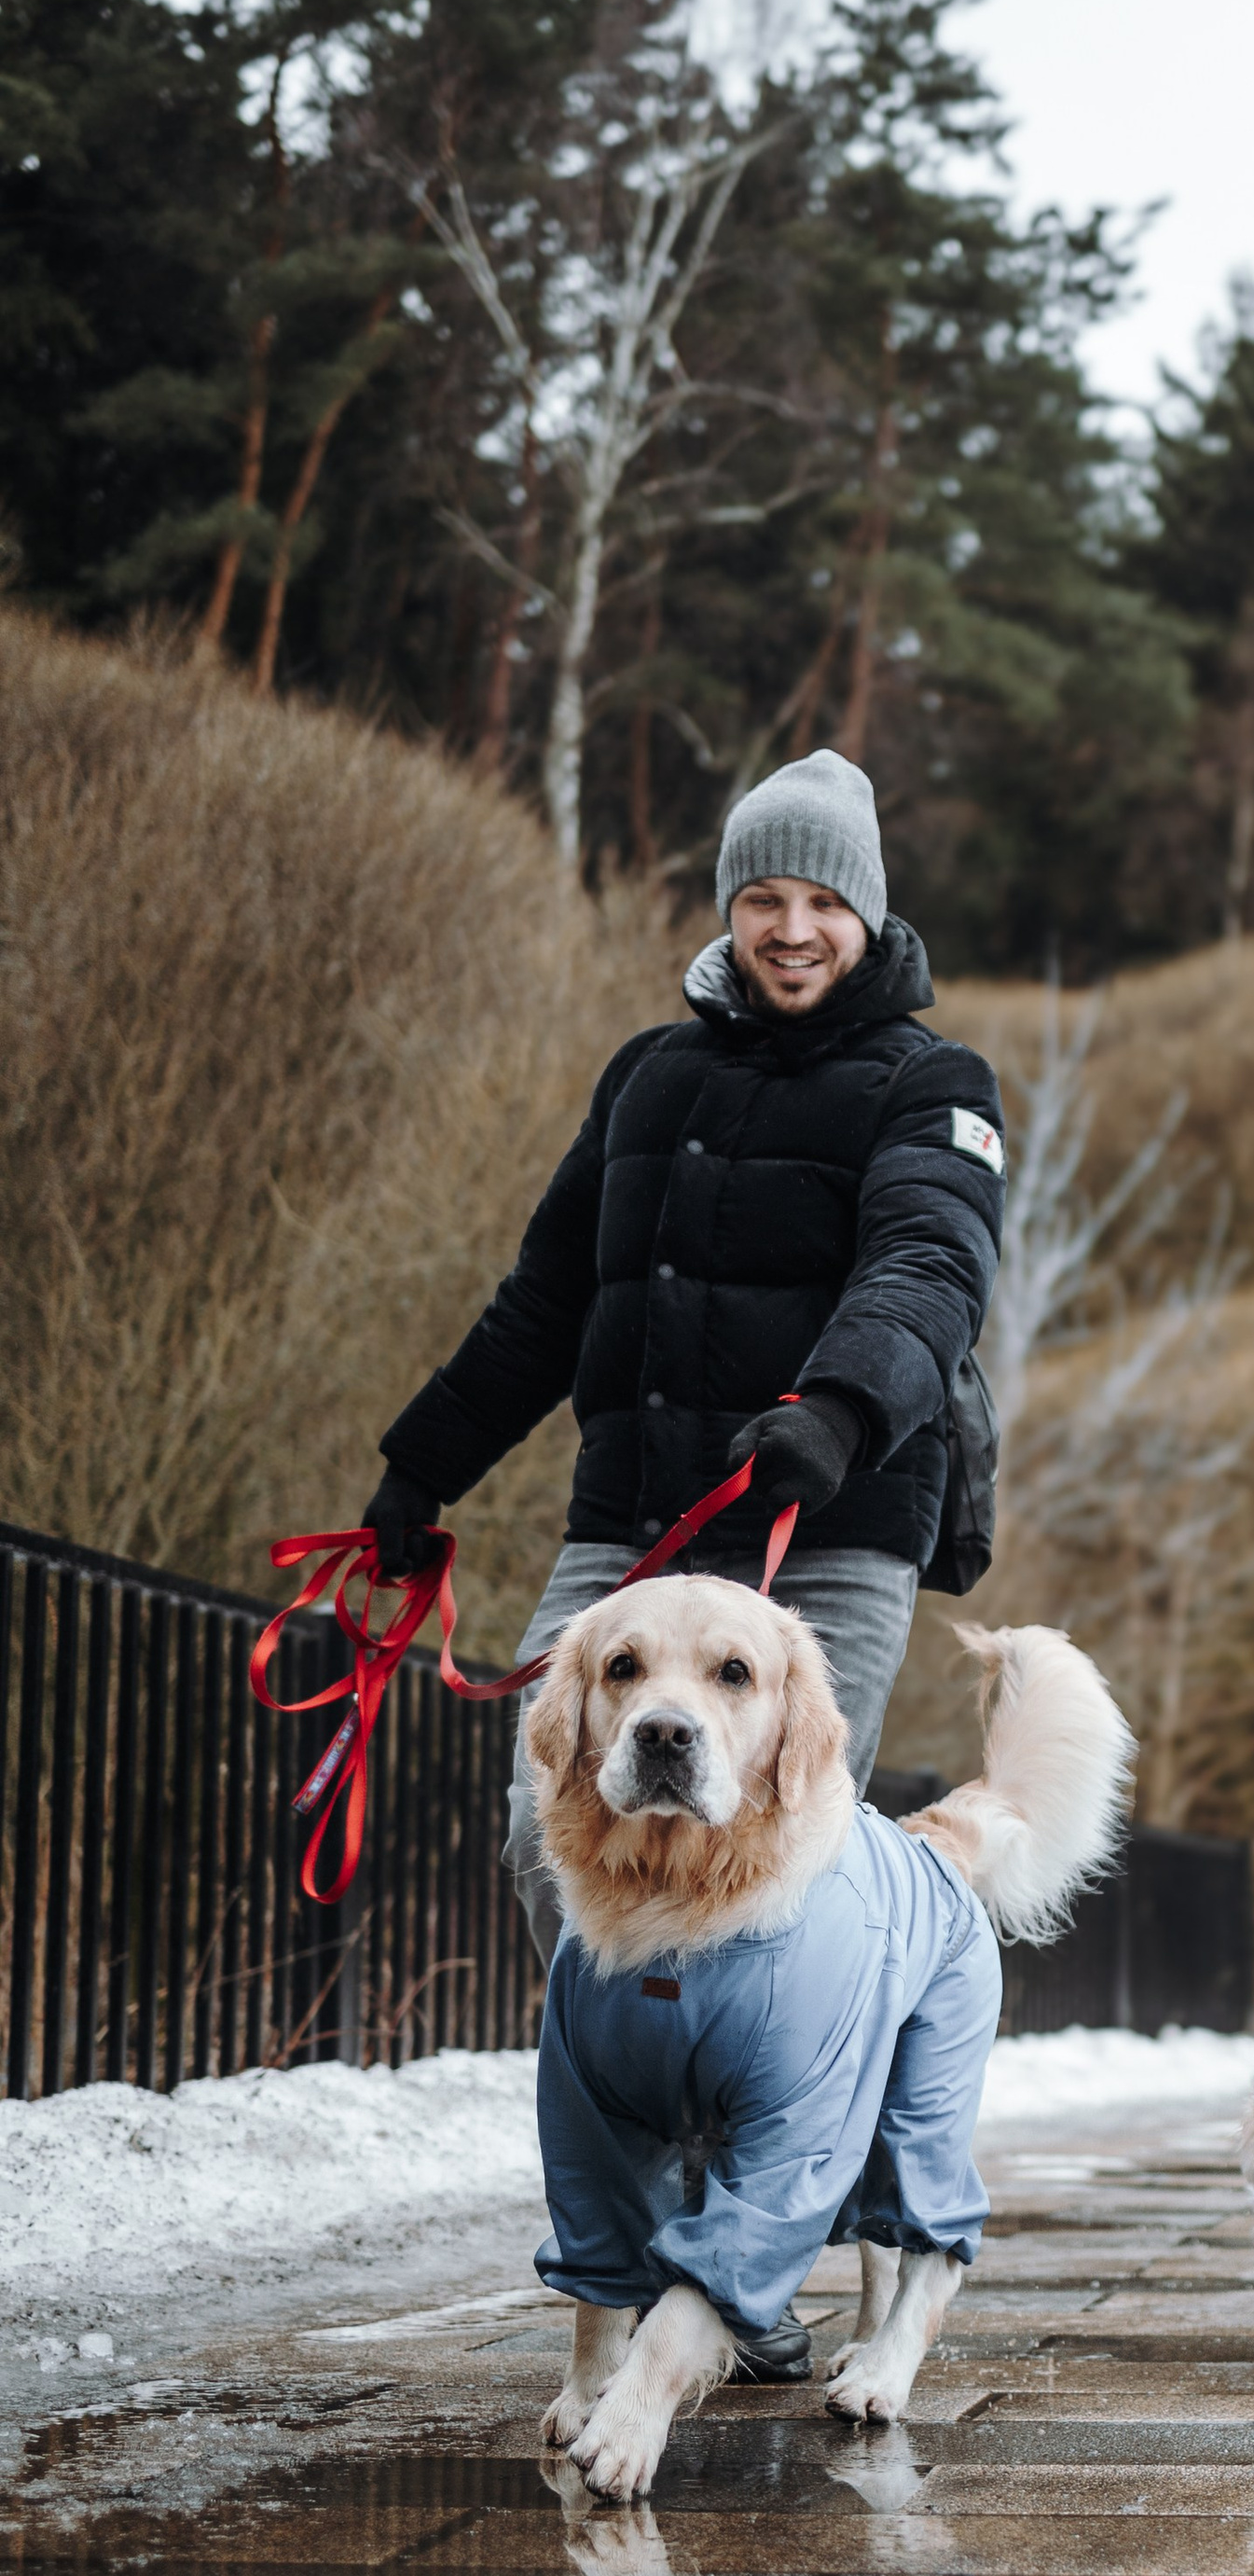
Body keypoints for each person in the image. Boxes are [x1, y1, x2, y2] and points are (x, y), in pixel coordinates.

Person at [362, 749, 1005, 1970]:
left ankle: (768, 2136)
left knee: (780, 1849)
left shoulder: (936, 1085)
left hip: (830, 1517)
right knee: (542, 1825)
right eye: (765, 897)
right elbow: (550, 1297)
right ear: (730, 907)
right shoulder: (647, 1077)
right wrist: (421, 1467)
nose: (794, 928)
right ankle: (623, 2109)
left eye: (824, 902)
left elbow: (932, 1265)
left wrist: (839, 1406)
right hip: (635, 1521)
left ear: (865, 914)